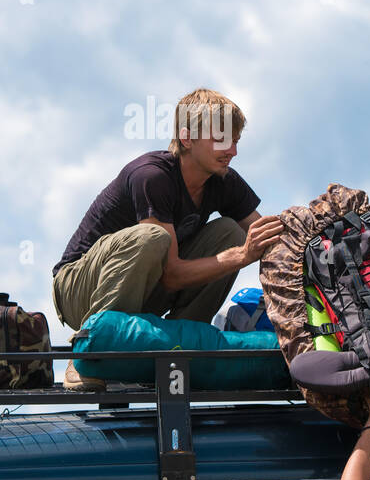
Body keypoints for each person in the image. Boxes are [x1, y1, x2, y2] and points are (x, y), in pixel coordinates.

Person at [52, 88, 284, 389]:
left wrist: (321, 240)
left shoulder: (223, 180)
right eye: (222, 139)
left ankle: (176, 353)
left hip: (146, 285)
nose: (233, 151)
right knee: (151, 238)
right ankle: (90, 352)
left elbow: (269, 238)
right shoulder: (152, 176)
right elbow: (172, 276)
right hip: (78, 289)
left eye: (236, 141)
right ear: (187, 139)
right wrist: (242, 255)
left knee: (232, 232)